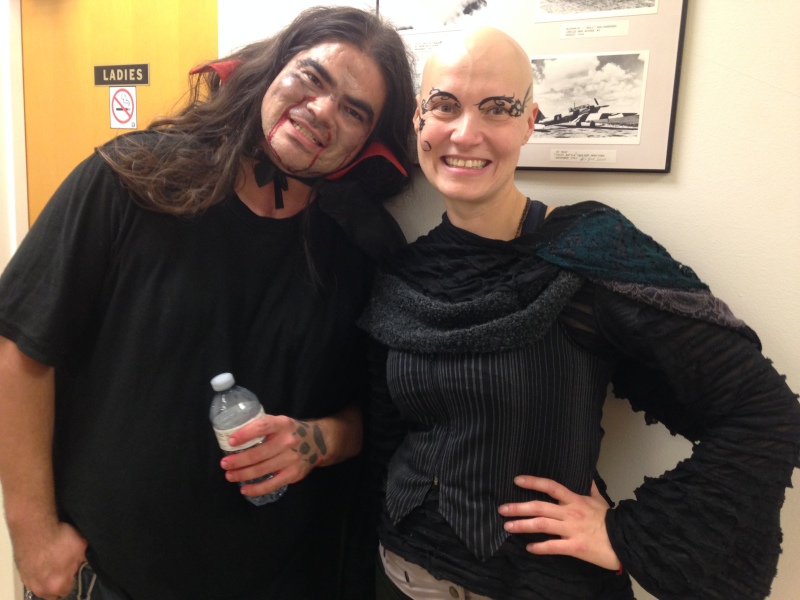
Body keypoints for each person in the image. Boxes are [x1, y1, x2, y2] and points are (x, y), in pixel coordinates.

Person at [358, 26, 800, 600]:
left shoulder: (591, 250)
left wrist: (629, 536)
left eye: (497, 109)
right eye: (445, 105)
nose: (465, 132)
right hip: (400, 572)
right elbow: (384, 437)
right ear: (419, 119)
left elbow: (764, 413)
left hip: (541, 584)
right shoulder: (404, 270)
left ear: (529, 122)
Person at [0, 6, 415, 600]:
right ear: (273, 69)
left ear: (367, 141)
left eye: (354, 110)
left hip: (283, 580)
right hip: (109, 576)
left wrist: (315, 441)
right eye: (312, 76)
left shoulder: (360, 246)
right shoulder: (133, 177)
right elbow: (20, 343)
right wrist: (33, 537)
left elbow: (373, 416)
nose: (323, 110)